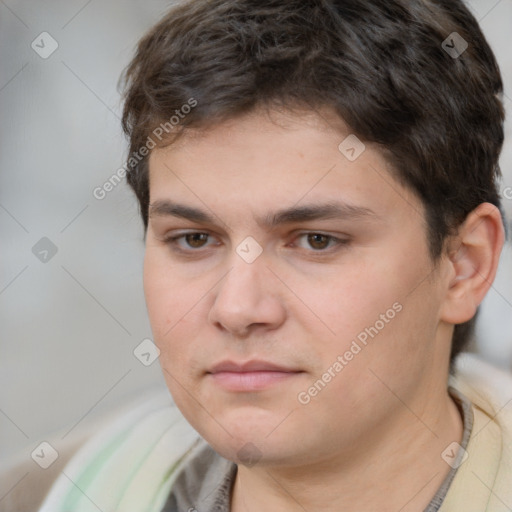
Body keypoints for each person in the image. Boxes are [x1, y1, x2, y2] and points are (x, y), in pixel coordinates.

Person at [39, 0, 512, 511]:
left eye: (317, 240)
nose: (238, 309)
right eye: (193, 239)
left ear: (464, 266)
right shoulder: (42, 494)